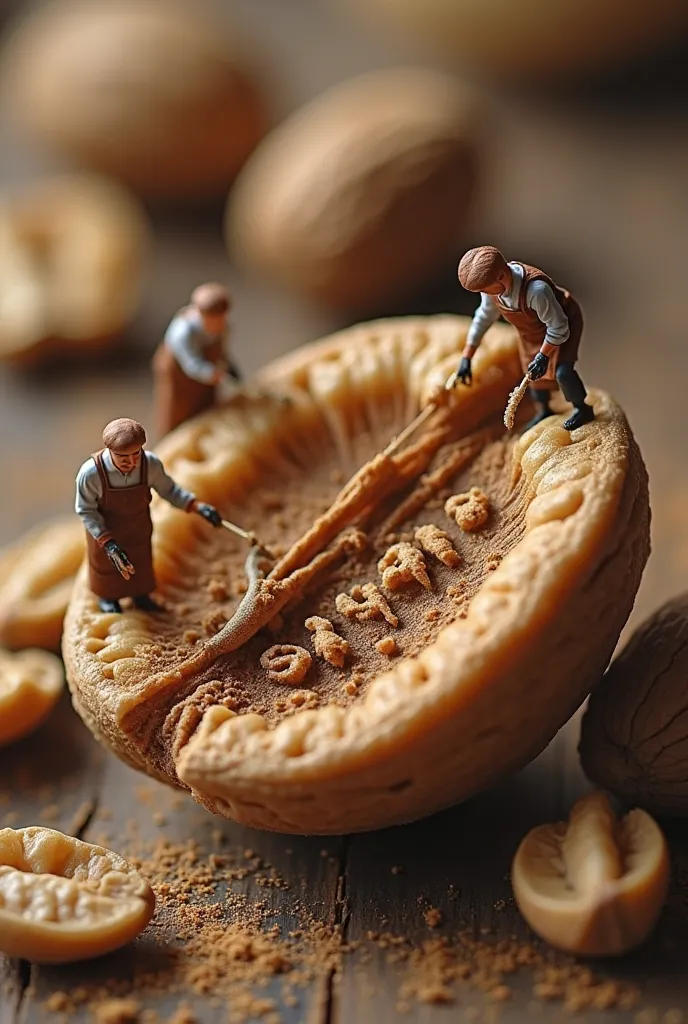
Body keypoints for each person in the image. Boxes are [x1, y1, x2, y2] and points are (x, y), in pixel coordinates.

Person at [75, 417, 223, 614]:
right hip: (105, 532)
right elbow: (86, 510)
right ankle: (108, 599)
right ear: (110, 451)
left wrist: (197, 506)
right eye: (124, 458)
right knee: (108, 570)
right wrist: (107, 541)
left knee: (140, 563)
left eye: (136, 455)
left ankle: (141, 596)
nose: (132, 462)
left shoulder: (149, 465)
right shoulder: (91, 474)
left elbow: (169, 491)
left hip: (138, 528)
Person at [447, 246, 594, 432]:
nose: (484, 294)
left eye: (485, 289)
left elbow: (558, 327)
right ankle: (544, 409)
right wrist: (467, 357)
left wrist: (543, 356)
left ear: (501, 276)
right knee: (530, 372)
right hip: (530, 333)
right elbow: (483, 318)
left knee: (562, 371)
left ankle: (582, 408)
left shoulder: (536, 291)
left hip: (562, 325)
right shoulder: (491, 291)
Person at [152, 282, 242, 438]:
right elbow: (191, 364)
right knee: (177, 415)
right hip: (180, 378)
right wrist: (212, 374)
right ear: (202, 315)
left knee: (208, 407)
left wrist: (227, 366)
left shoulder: (224, 327)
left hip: (208, 377)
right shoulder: (182, 332)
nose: (220, 324)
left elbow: (221, 351)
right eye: (215, 320)